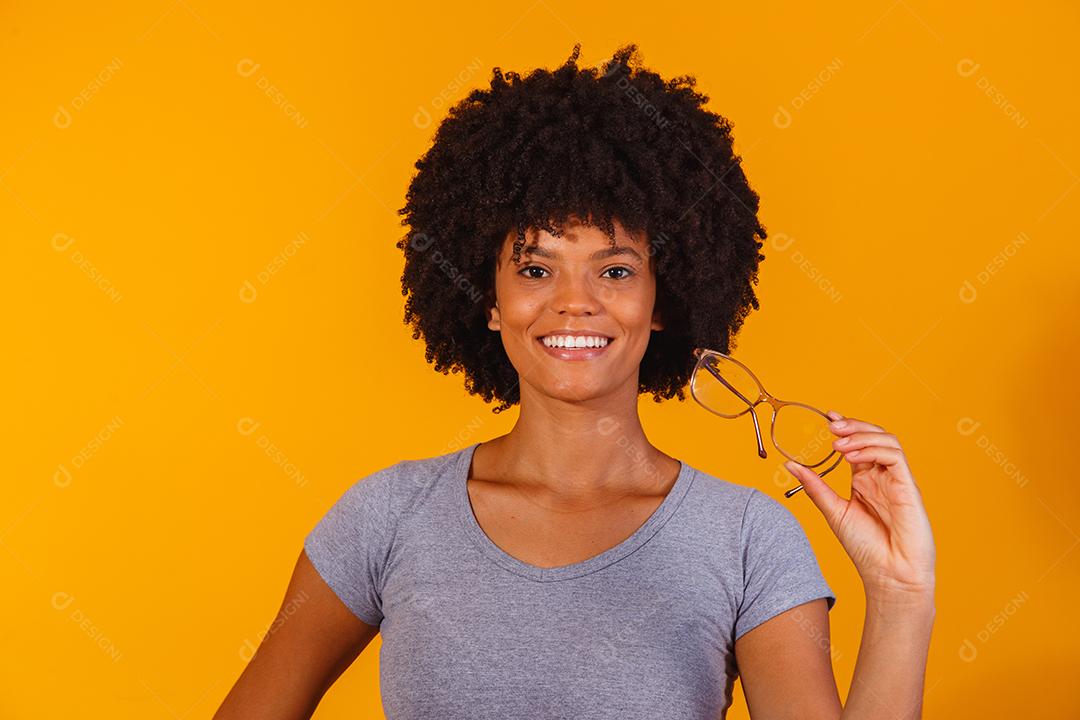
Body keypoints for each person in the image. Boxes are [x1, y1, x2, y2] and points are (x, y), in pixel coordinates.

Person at [214, 43, 936, 719]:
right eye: (535, 268)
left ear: (663, 302)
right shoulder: (388, 518)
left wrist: (900, 595)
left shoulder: (747, 541)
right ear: (488, 300)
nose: (574, 300)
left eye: (615, 270)